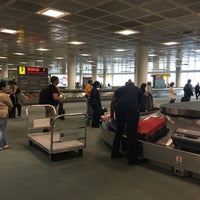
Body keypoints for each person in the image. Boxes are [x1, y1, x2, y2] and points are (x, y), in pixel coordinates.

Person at [110, 81, 141, 165]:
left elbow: (113, 102)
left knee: (118, 132)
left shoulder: (120, 89)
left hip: (119, 108)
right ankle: (132, 159)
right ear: (133, 85)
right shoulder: (137, 89)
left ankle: (114, 154)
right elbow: (140, 104)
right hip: (131, 109)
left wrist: (112, 116)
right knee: (131, 133)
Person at [0, 80, 13, 150]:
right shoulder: (5, 95)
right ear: (2, 87)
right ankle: (1, 145)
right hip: (3, 114)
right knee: (1, 130)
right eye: (5, 86)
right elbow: (11, 105)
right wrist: (8, 111)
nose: (7, 88)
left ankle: (3, 143)